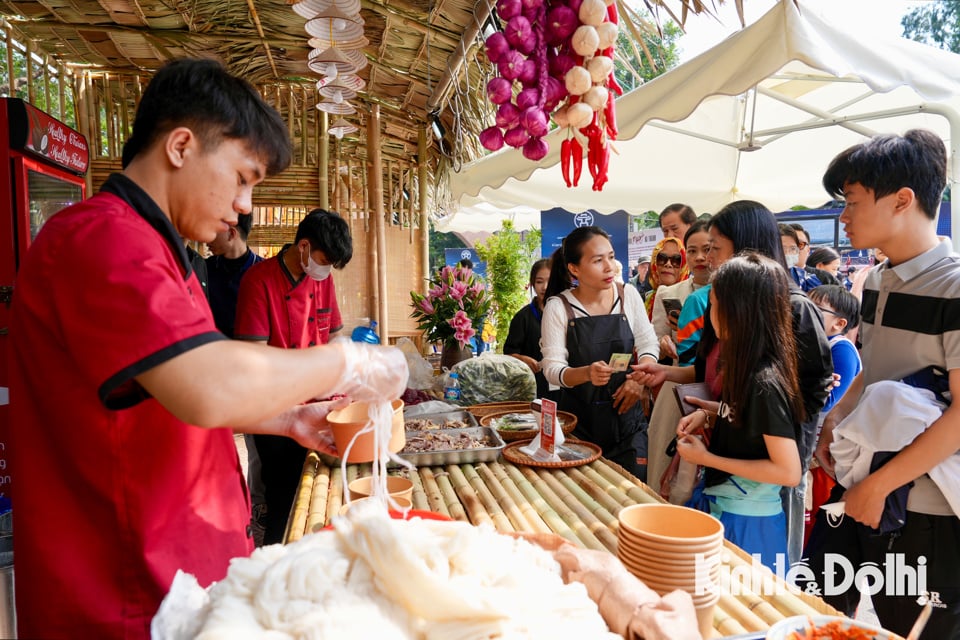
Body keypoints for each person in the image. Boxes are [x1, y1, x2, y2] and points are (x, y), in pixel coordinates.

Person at [8, 58, 407, 639]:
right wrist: (351, 359)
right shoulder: (103, 240)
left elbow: (168, 391)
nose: (244, 205)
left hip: (177, 580)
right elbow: (209, 385)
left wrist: (289, 417)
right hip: (123, 599)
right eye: (243, 176)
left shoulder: (164, 254)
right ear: (181, 146)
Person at [808, 129, 960, 639]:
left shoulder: (954, 286)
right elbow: (873, 370)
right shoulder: (874, 280)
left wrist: (880, 485)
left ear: (902, 200)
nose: (843, 217)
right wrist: (833, 422)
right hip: (867, 492)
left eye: (850, 202)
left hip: (930, 513)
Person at [632, 200, 833, 565]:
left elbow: (797, 401)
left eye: (715, 248)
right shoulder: (723, 300)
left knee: (756, 578)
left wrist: (760, 436)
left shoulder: (792, 312)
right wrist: (715, 413)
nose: (708, 258)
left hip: (762, 479)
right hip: (727, 464)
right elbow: (712, 371)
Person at [674, 253, 804, 569]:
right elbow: (749, 421)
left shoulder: (763, 380)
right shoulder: (747, 369)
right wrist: (711, 413)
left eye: (714, 304)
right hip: (733, 511)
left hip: (748, 525)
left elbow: (789, 471)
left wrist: (706, 459)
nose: (709, 313)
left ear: (738, 312)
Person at [234, 208, 353, 545]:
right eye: (324, 260)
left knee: (322, 488)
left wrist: (349, 371)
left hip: (319, 403)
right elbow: (255, 360)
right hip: (276, 411)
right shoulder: (258, 282)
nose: (327, 270)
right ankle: (274, 556)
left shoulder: (322, 278)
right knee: (285, 497)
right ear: (303, 247)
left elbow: (334, 336)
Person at [541, 226, 659, 476]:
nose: (609, 266)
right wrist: (586, 373)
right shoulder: (559, 307)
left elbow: (648, 343)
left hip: (628, 423)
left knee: (633, 493)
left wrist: (639, 379)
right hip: (579, 426)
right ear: (574, 269)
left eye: (610, 256)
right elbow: (552, 369)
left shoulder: (628, 295)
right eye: (597, 260)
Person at [803, 284, 862, 544]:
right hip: (811, 452)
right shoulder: (816, 345)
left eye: (814, 310)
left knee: (817, 518)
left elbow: (827, 404)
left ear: (839, 324)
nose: (802, 314)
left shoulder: (840, 349)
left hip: (823, 456)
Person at [652, 220, 711, 364]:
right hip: (680, 379)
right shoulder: (667, 293)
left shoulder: (733, 293)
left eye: (707, 249)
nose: (699, 257)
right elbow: (654, 346)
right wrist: (663, 343)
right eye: (691, 251)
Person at [503, 258, 557, 401]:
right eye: (539, 282)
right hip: (532, 387)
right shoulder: (523, 317)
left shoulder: (567, 314)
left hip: (564, 386)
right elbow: (508, 353)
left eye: (549, 281)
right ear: (532, 283)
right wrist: (523, 359)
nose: (545, 287)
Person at [206, 212, 261, 337]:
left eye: (213, 232)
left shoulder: (263, 273)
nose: (207, 239)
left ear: (231, 234)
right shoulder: (204, 268)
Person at [643, 237, 688, 322]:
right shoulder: (648, 300)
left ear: (685, 266)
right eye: (662, 258)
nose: (668, 264)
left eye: (676, 260)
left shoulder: (692, 299)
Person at [779, 223, 822, 292]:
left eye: (793, 248)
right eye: (782, 248)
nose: (787, 253)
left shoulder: (808, 281)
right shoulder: (761, 278)